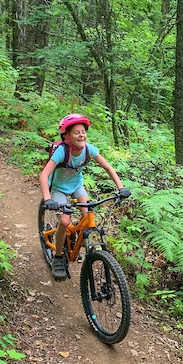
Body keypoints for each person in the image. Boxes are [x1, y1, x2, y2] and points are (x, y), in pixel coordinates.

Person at [39, 114, 130, 281]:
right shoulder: (62, 151)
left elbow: (108, 168)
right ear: (67, 136)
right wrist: (47, 199)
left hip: (77, 186)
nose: (81, 135)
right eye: (76, 133)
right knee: (65, 221)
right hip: (59, 189)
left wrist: (121, 187)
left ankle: (75, 243)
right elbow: (44, 175)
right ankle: (58, 256)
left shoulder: (89, 149)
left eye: (83, 132)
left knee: (87, 216)